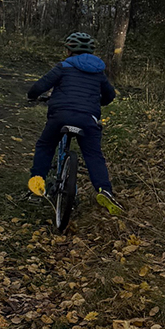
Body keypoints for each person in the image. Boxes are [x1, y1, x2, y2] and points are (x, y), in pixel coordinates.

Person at [26, 30, 121, 216]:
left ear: (69, 50)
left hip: (60, 115)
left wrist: (32, 96)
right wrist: (97, 103)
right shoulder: (99, 72)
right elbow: (110, 95)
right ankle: (105, 190)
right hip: (88, 118)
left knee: (45, 146)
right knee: (94, 155)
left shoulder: (63, 66)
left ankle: (37, 184)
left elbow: (40, 86)